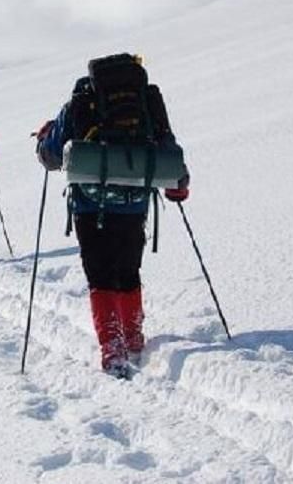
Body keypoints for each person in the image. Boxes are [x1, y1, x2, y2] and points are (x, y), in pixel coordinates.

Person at [35, 53, 189, 377]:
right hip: (135, 199)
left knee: (100, 275)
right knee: (128, 270)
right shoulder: (146, 101)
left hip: (91, 204)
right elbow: (167, 143)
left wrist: (44, 140)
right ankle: (133, 339)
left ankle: (112, 348)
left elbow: (50, 154)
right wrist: (179, 184)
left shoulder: (82, 100)